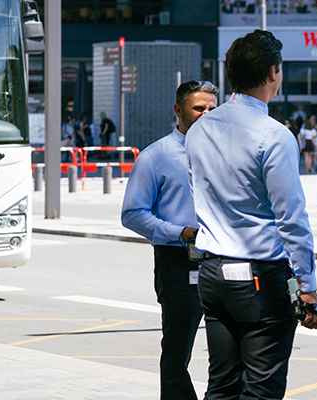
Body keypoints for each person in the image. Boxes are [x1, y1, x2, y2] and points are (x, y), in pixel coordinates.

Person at [185, 30, 317, 399]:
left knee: (222, 384)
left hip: (212, 273)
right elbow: (291, 218)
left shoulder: (199, 129)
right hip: (259, 277)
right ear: (272, 73)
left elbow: (198, 194)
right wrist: (308, 287)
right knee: (262, 388)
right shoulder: (274, 135)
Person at [120, 80, 219, 400]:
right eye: (199, 108)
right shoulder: (156, 156)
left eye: (211, 109)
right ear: (179, 111)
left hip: (223, 261)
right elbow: (132, 213)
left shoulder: (224, 153)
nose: (206, 114)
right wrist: (180, 232)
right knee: (177, 352)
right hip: (178, 261)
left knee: (228, 350)